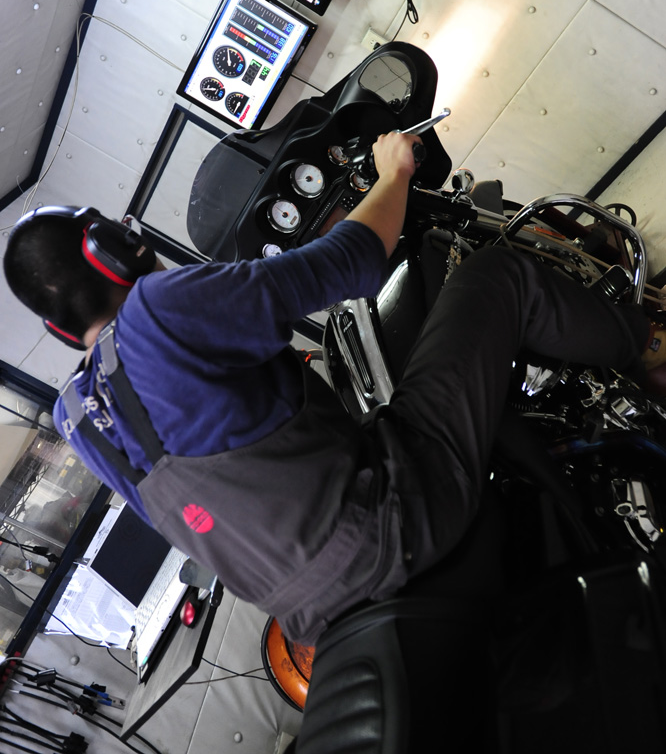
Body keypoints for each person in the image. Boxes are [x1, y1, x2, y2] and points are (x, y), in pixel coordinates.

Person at [3, 133, 663, 644]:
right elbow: (354, 259)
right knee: (493, 279)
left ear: (59, 330)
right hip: (390, 526)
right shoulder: (155, 308)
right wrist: (394, 172)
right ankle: (648, 344)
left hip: (318, 619)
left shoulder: (76, 417)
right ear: (111, 247)